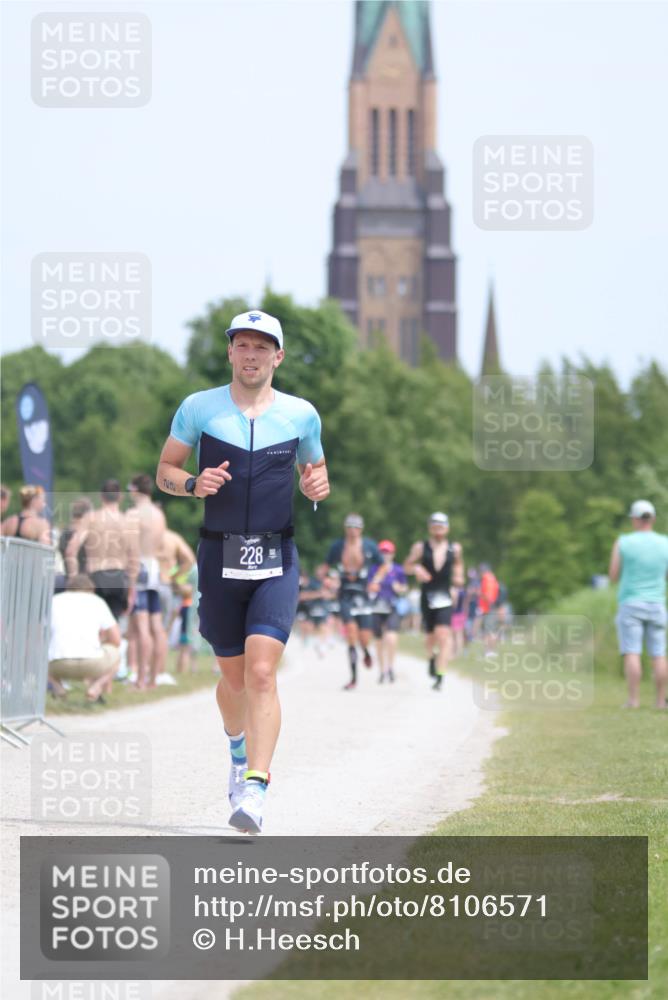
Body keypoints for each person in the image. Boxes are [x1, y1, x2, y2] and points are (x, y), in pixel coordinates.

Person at [155, 309, 329, 833]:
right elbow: (165, 470)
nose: (251, 355)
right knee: (231, 677)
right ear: (230, 353)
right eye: (242, 346)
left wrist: (315, 487)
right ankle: (237, 747)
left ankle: (255, 787)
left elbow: (315, 472)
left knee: (260, 672)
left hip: (277, 555)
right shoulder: (199, 408)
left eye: (262, 347)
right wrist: (191, 485)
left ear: (277, 356)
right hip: (218, 553)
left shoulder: (301, 415)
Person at [609, 500, 668, 709]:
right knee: (659, 653)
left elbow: (613, 575)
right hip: (657, 603)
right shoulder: (665, 543)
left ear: (634, 519)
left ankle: (633, 700)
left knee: (632, 651)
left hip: (631, 602)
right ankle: (661, 701)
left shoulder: (623, 542)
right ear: (652, 518)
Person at [404, 512, 464, 690]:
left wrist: (458, 580)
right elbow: (406, 566)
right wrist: (416, 569)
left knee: (443, 635)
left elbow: (459, 565)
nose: (438, 530)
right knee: (430, 638)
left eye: (442, 526)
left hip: (445, 596)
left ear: (447, 528)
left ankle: (440, 675)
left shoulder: (455, 548)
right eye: (435, 526)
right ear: (430, 528)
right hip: (427, 596)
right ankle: (431, 658)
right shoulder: (420, 547)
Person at [65, 479, 139, 621]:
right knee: (112, 627)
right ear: (120, 497)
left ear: (101, 496)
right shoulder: (128, 522)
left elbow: (70, 550)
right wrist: (131, 591)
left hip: (95, 577)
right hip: (119, 578)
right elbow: (134, 558)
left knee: (92, 626)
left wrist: (74, 578)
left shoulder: (90, 518)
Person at [324, 514, 380, 690]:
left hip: (363, 595)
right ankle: (353, 678)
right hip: (345, 594)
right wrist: (328, 580)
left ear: (361, 529)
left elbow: (383, 565)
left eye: (356, 527)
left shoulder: (369, 546)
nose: (352, 530)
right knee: (351, 633)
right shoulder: (338, 546)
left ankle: (365, 652)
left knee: (364, 638)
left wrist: (375, 581)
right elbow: (324, 568)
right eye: (349, 526)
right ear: (345, 528)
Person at [48, 574, 121, 703]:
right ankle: (96, 687)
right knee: (115, 654)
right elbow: (116, 640)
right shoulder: (97, 601)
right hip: (92, 664)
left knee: (37, 654)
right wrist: (101, 644)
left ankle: (58, 687)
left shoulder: (54, 600)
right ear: (91, 589)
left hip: (57, 665)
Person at [126, 474, 169, 689]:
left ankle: (141, 679)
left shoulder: (134, 514)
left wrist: (130, 579)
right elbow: (160, 545)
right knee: (156, 626)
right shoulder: (159, 514)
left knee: (141, 627)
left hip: (140, 567)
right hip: (155, 566)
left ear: (135, 489)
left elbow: (130, 548)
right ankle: (154, 677)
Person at [367, 540, 408, 683]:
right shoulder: (373, 568)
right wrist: (379, 577)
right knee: (378, 640)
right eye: (382, 552)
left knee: (391, 638)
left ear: (393, 554)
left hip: (392, 606)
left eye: (388, 552)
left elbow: (404, 588)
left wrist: (399, 588)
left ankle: (390, 666)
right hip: (377, 606)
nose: (385, 555)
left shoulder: (398, 570)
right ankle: (382, 670)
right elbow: (369, 587)